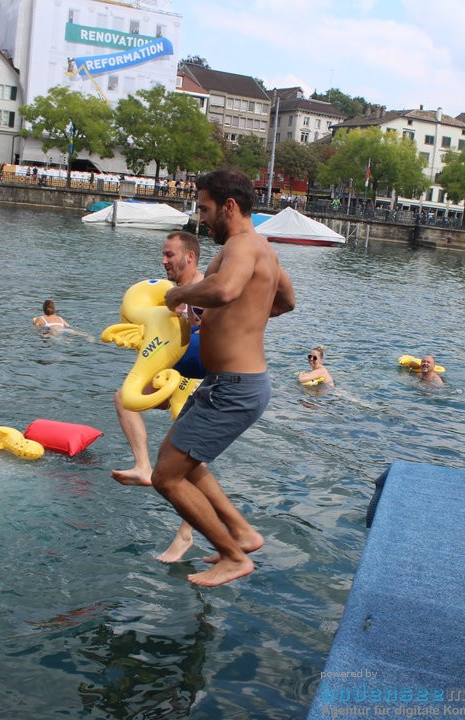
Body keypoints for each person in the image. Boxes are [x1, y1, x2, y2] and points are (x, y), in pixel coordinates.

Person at [149, 168, 295, 587]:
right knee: (183, 463)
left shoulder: (243, 246)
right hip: (227, 383)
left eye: (206, 208)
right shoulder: (260, 249)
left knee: (165, 477)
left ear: (229, 207)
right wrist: (237, 317)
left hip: (234, 387)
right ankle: (243, 534)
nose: (202, 218)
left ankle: (233, 557)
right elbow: (286, 300)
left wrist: (179, 294)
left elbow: (227, 289)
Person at [111, 231, 205, 562]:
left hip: (201, 380)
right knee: (124, 398)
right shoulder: (169, 296)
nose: (163, 261)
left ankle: (186, 533)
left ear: (190, 257)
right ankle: (142, 466)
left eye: (169, 255)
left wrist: (190, 320)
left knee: (186, 457)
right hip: (174, 374)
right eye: (162, 255)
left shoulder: (205, 291)